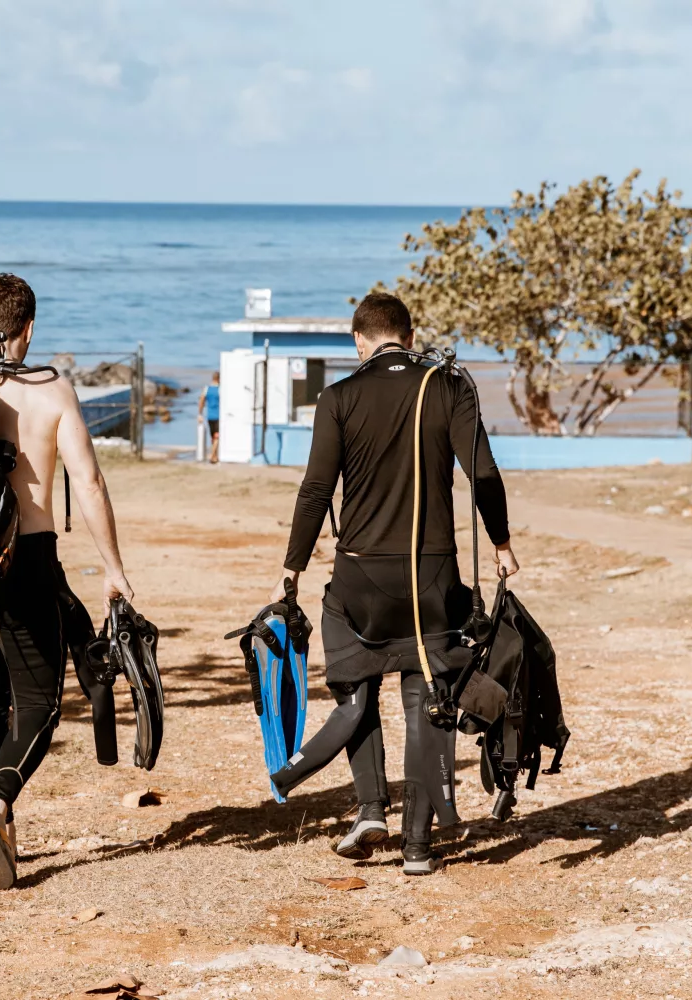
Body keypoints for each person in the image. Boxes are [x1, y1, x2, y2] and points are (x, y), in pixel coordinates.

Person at [265, 291, 518, 875]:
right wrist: (502, 543)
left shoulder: (339, 397)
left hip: (359, 577)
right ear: (409, 334)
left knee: (355, 684)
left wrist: (293, 565)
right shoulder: (448, 387)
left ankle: (371, 807)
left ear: (359, 340)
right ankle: (419, 849)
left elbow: (315, 491)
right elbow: (482, 473)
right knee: (425, 694)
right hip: (433, 574)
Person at [0, 273, 135, 891]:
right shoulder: (53, 393)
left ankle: (4, 833)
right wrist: (115, 570)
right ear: (29, 331)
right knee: (41, 704)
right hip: (25, 564)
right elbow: (90, 484)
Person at [198, 371, 221, 463]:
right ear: (219, 379)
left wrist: (200, 413)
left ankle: (215, 455)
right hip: (218, 415)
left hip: (209, 415)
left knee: (213, 436)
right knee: (217, 436)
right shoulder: (220, 389)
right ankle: (213, 456)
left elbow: (201, 401)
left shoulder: (206, 389)